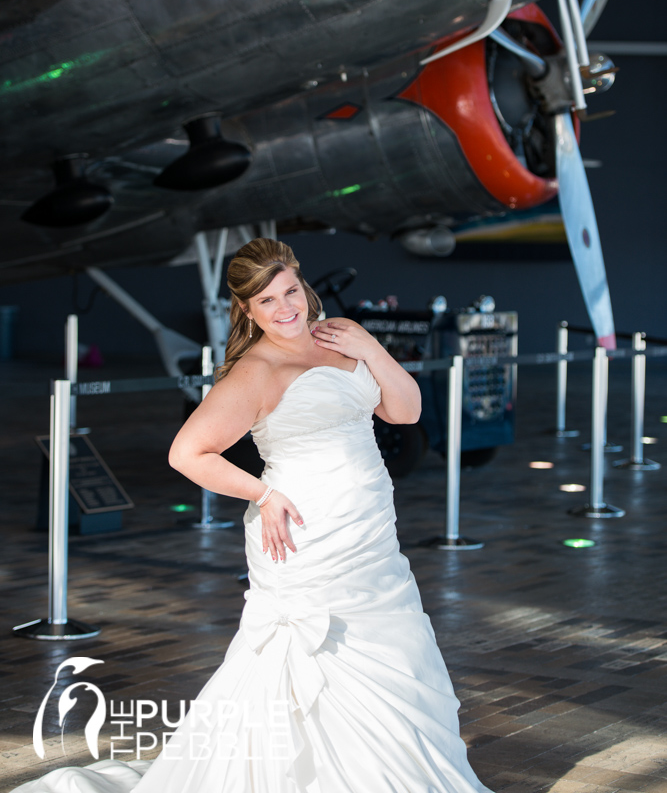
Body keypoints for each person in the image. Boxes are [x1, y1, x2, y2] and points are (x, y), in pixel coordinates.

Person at [13, 238, 494, 793]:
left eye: (290, 291)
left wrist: (372, 347)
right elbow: (186, 453)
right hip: (306, 538)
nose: (285, 308)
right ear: (247, 310)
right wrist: (263, 495)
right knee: (306, 665)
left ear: (303, 284)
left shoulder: (338, 337)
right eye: (267, 301)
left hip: (371, 536)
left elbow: (404, 411)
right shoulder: (256, 370)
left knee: (390, 651)